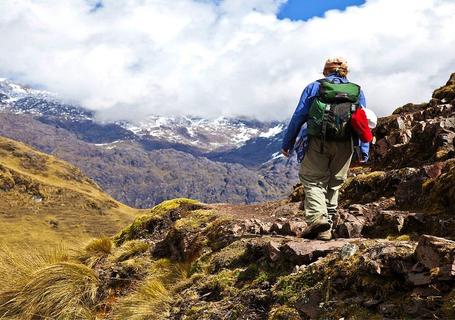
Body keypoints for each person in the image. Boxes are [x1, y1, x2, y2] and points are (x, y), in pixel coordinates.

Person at [282, 57, 370, 240]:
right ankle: (327, 224)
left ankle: (318, 220)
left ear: (325, 71)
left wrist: (287, 143)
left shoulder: (314, 88)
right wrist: (364, 149)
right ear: (346, 71)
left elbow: (299, 116)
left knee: (313, 180)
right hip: (346, 144)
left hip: (318, 142)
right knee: (335, 182)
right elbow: (363, 121)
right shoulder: (356, 91)